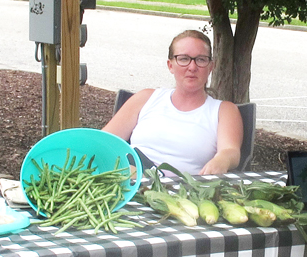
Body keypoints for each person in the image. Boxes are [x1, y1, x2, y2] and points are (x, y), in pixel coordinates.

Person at [103, 30, 243, 175]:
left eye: (201, 59)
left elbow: (230, 151)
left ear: (210, 67)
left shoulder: (223, 110)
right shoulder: (146, 98)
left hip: (183, 193)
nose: (192, 67)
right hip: (129, 184)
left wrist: (222, 160)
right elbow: (102, 141)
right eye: (183, 59)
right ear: (170, 65)